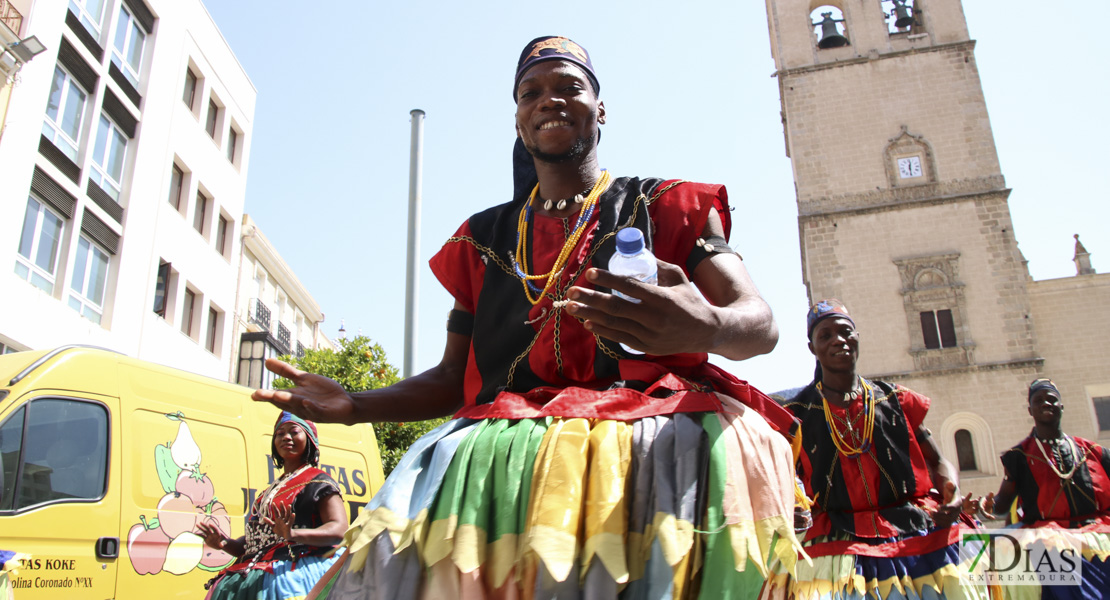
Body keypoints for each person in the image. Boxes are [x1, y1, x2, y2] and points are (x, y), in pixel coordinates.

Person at [253, 36, 804, 599]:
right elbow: (451, 379)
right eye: (531, 93)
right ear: (518, 120)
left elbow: (759, 326)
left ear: (601, 108)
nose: (549, 101)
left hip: (654, 456)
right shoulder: (483, 239)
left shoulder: (668, 205)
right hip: (504, 474)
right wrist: (355, 405)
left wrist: (704, 327)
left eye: (570, 87)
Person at [774, 300, 988, 600]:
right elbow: (780, 481)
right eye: (826, 335)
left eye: (845, 332)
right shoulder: (795, 414)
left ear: (857, 338)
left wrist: (953, 495)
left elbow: (938, 461)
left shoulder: (894, 399)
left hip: (915, 527)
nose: (838, 340)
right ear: (812, 347)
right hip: (837, 539)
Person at [973, 378, 1110, 597]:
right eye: (1039, 400)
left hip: (1098, 532)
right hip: (1049, 538)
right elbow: (1002, 504)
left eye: (1052, 399)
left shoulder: (1093, 451)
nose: (1046, 403)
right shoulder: (1018, 457)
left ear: (1061, 406)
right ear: (1030, 409)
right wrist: (985, 505)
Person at [198, 412, 348, 600]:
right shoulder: (268, 493)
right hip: (260, 573)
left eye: (294, 432)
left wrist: (292, 535)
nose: (286, 437)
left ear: (309, 439)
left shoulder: (319, 482)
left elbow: (339, 529)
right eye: (280, 433)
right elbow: (256, 543)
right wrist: (225, 543)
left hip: (295, 577)